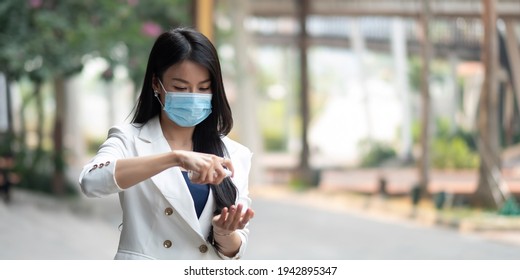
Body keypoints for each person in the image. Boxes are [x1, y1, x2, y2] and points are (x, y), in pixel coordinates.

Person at [79, 27, 255, 260]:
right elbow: (90, 182)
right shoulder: (129, 139)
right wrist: (175, 158)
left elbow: (234, 251)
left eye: (203, 88)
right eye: (181, 88)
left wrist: (224, 232)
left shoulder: (234, 154)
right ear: (156, 83)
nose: (193, 96)